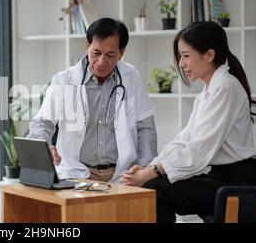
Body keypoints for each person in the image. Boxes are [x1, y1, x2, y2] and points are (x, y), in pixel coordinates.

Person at [120, 21, 256, 222]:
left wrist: (151, 173)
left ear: (209, 55)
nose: (181, 64)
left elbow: (198, 151)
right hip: (221, 177)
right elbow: (183, 139)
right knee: (152, 186)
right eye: (180, 56)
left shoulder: (225, 87)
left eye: (185, 56)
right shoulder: (208, 91)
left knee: (154, 190)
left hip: (237, 181)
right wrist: (151, 167)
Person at [28, 18, 157, 183]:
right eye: (96, 53)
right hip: (77, 173)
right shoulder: (64, 80)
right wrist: (43, 146)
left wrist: (145, 169)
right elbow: (42, 122)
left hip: (122, 174)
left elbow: (145, 126)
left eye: (110, 55)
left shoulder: (130, 76)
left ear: (121, 53)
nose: (102, 62)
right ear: (87, 46)